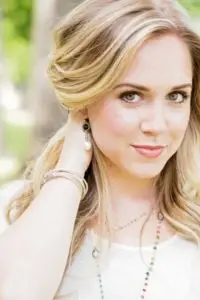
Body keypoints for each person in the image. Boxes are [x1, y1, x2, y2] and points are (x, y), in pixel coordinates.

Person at [1, 0, 200, 299]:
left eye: (176, 95)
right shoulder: (14, 211)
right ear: (84, 98)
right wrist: (70, 167)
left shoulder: (192, 233)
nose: (157, 124)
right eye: (131, 95)